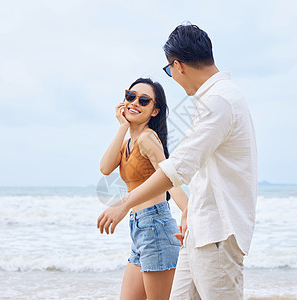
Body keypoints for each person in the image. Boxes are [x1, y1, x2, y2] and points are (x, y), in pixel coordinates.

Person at [98, 23, 257, 299]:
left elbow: (176, 169)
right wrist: (188, 211)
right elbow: (195, 171)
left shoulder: (219, 101)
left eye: (168, 69)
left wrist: (124, 203)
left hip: (217, 233)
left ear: (177, 65)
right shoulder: (211, 99)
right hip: (199, 228)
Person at [99, 77, 189, 300]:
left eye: (144, 100)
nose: (134, 103)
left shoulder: (148, 139)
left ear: (155, 111)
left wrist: (190, 214)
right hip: (139, 228)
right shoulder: (128, 140)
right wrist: (122, 126)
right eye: (130, 96)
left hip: (156, 227)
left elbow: (170, 178)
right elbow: (105, 168)